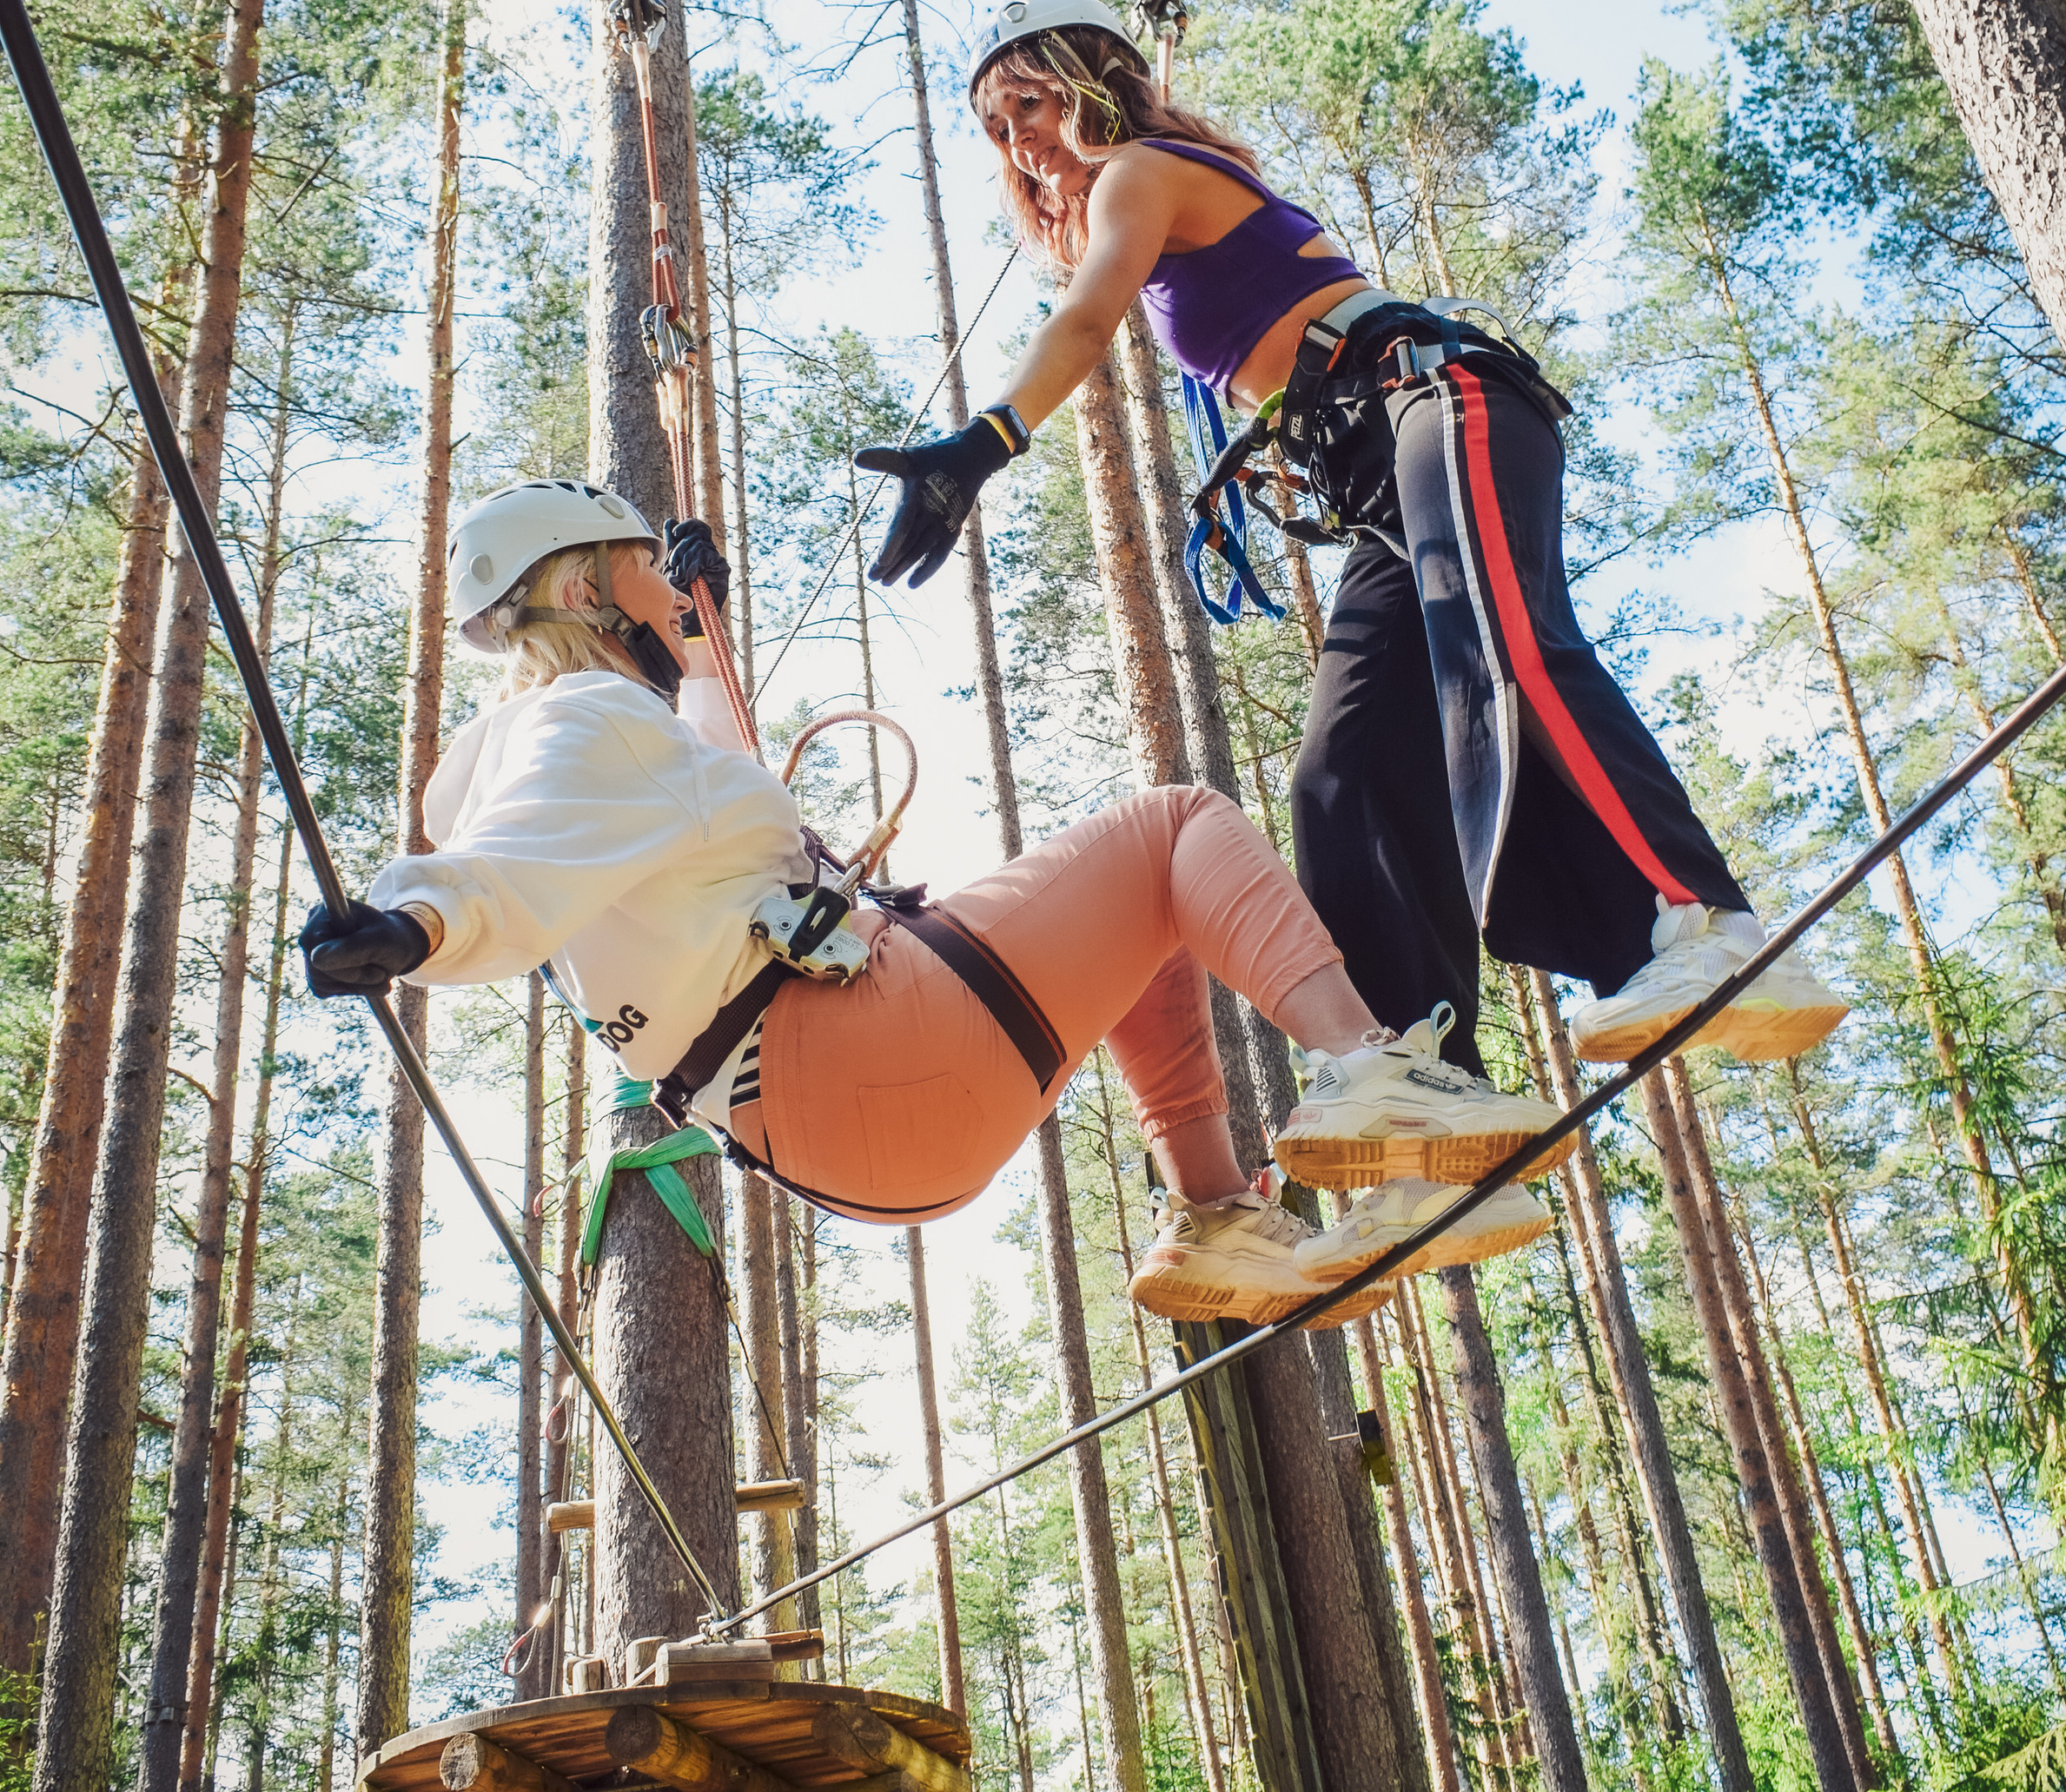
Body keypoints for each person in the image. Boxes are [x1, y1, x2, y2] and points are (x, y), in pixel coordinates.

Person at [857, 0, 1846, 1289]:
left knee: (1493, 639)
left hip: (1435, 396)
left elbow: (1087, 319)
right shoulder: (1139, 194)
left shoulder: (1141, 173)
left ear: (1094, 79)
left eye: (1032, 104)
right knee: (1344, 775)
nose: (1024, 142)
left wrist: (982, 445)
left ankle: (1694, 920)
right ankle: (1426, 1108)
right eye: (999, 130)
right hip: (1373, 477)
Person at [298, 479, 1570, 1329]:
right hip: (873, 1043)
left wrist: (704, 626)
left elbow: (695, 794)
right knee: (1180, 827)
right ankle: (1369, 1073)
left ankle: (1217, 1219)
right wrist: (412, 923)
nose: (656, 582)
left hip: (840, 1134)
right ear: (583, 591)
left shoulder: (597, 740)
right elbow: (509, 868)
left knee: (1145, 923)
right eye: (636, 563)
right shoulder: (580, 721)